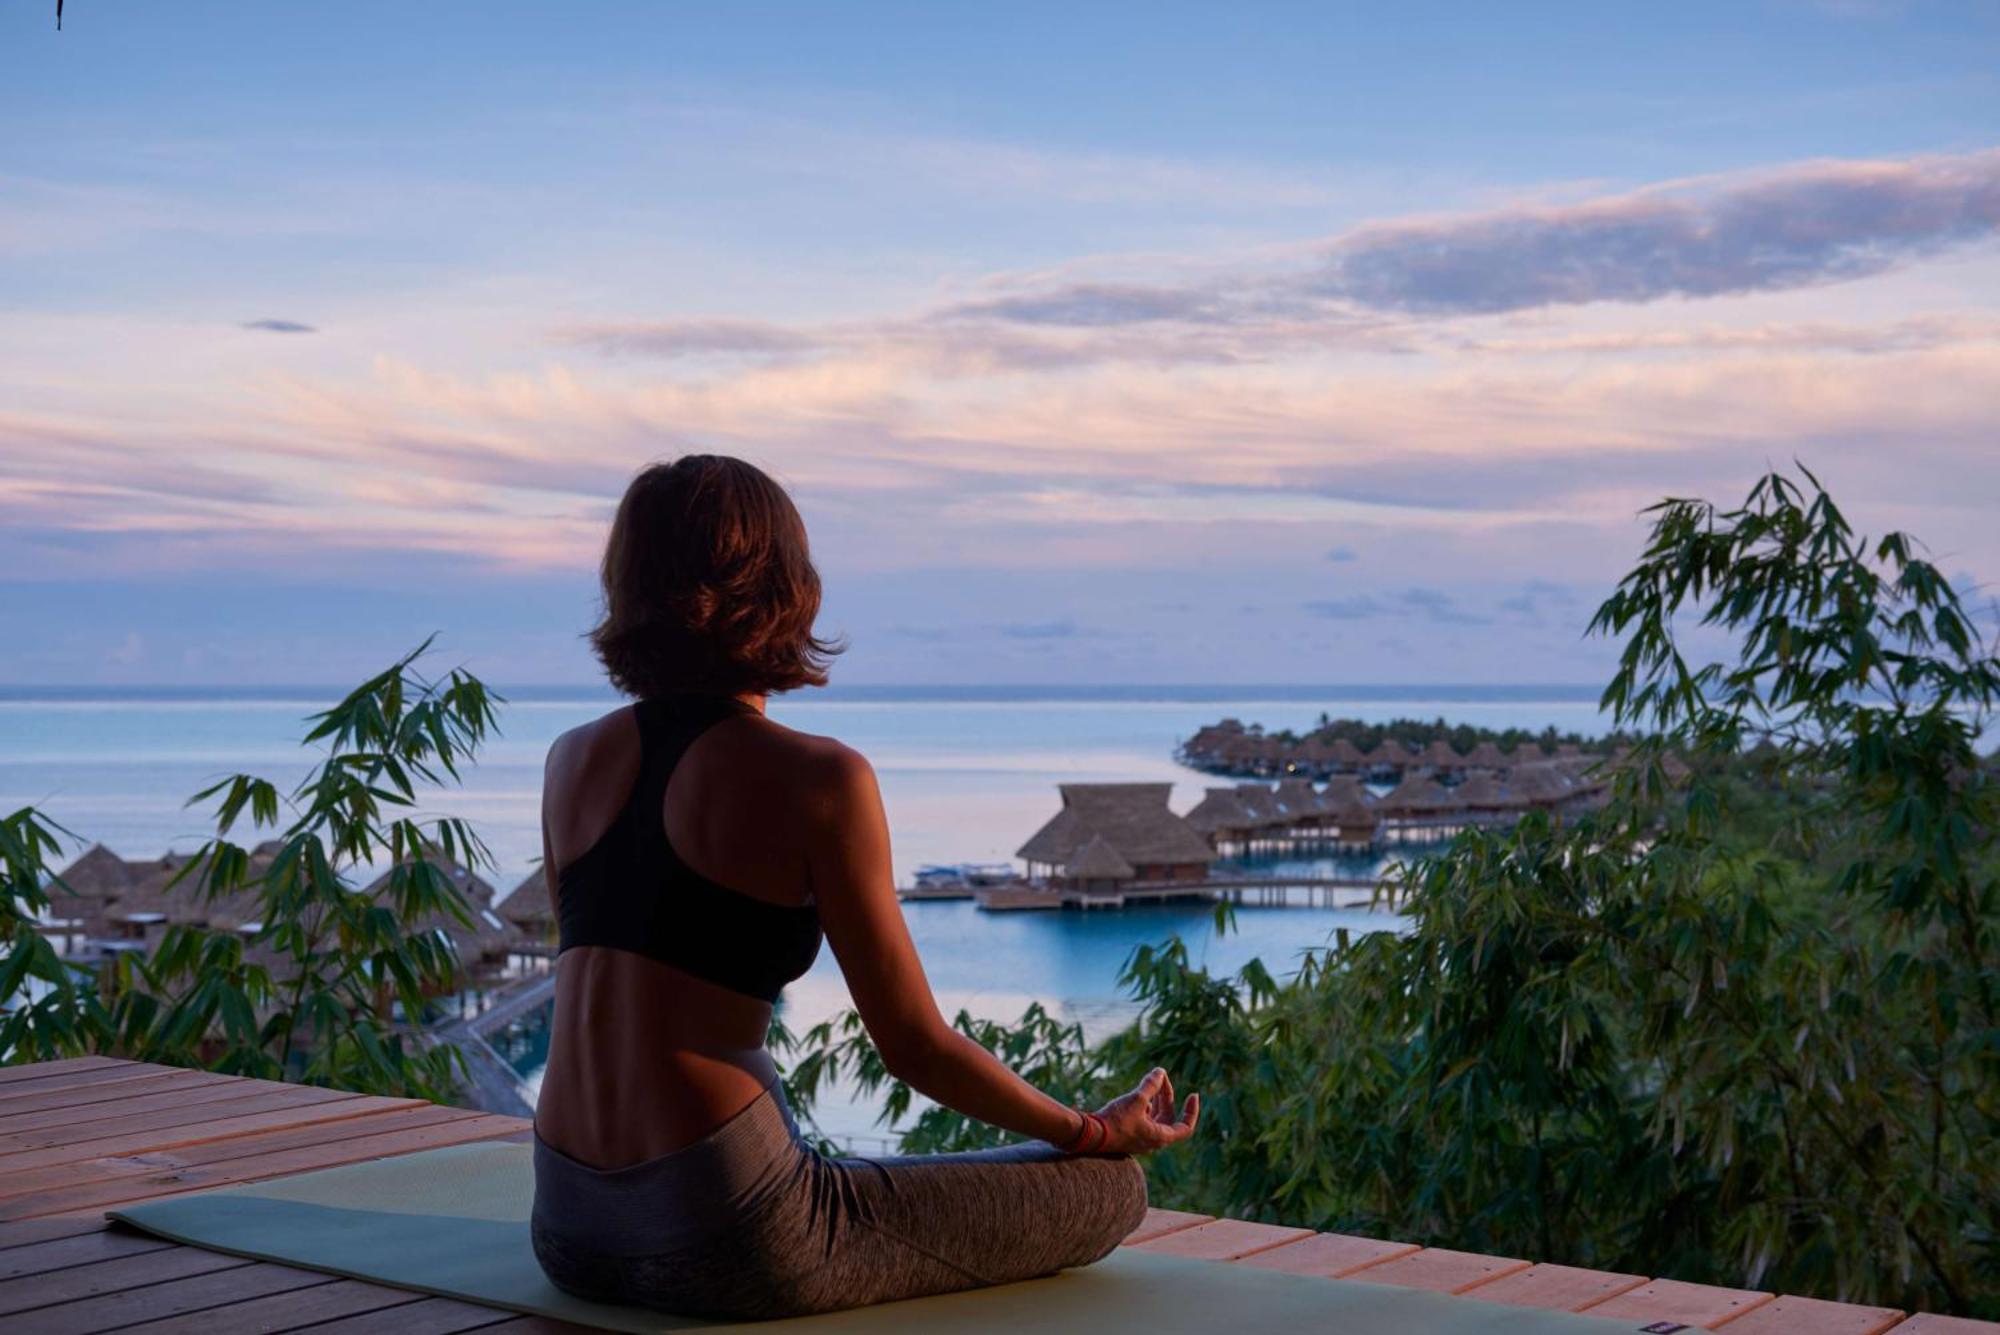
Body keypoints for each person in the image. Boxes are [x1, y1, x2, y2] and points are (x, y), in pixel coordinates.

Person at [530, 455, 1199, 1319]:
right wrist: (1095, 1132)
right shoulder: (820, 776)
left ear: (627, 586)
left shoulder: (568, 760)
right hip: (729, 1230)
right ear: (783, 586)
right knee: (1108, 1194)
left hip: (565, 1227)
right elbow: (916, 1047)